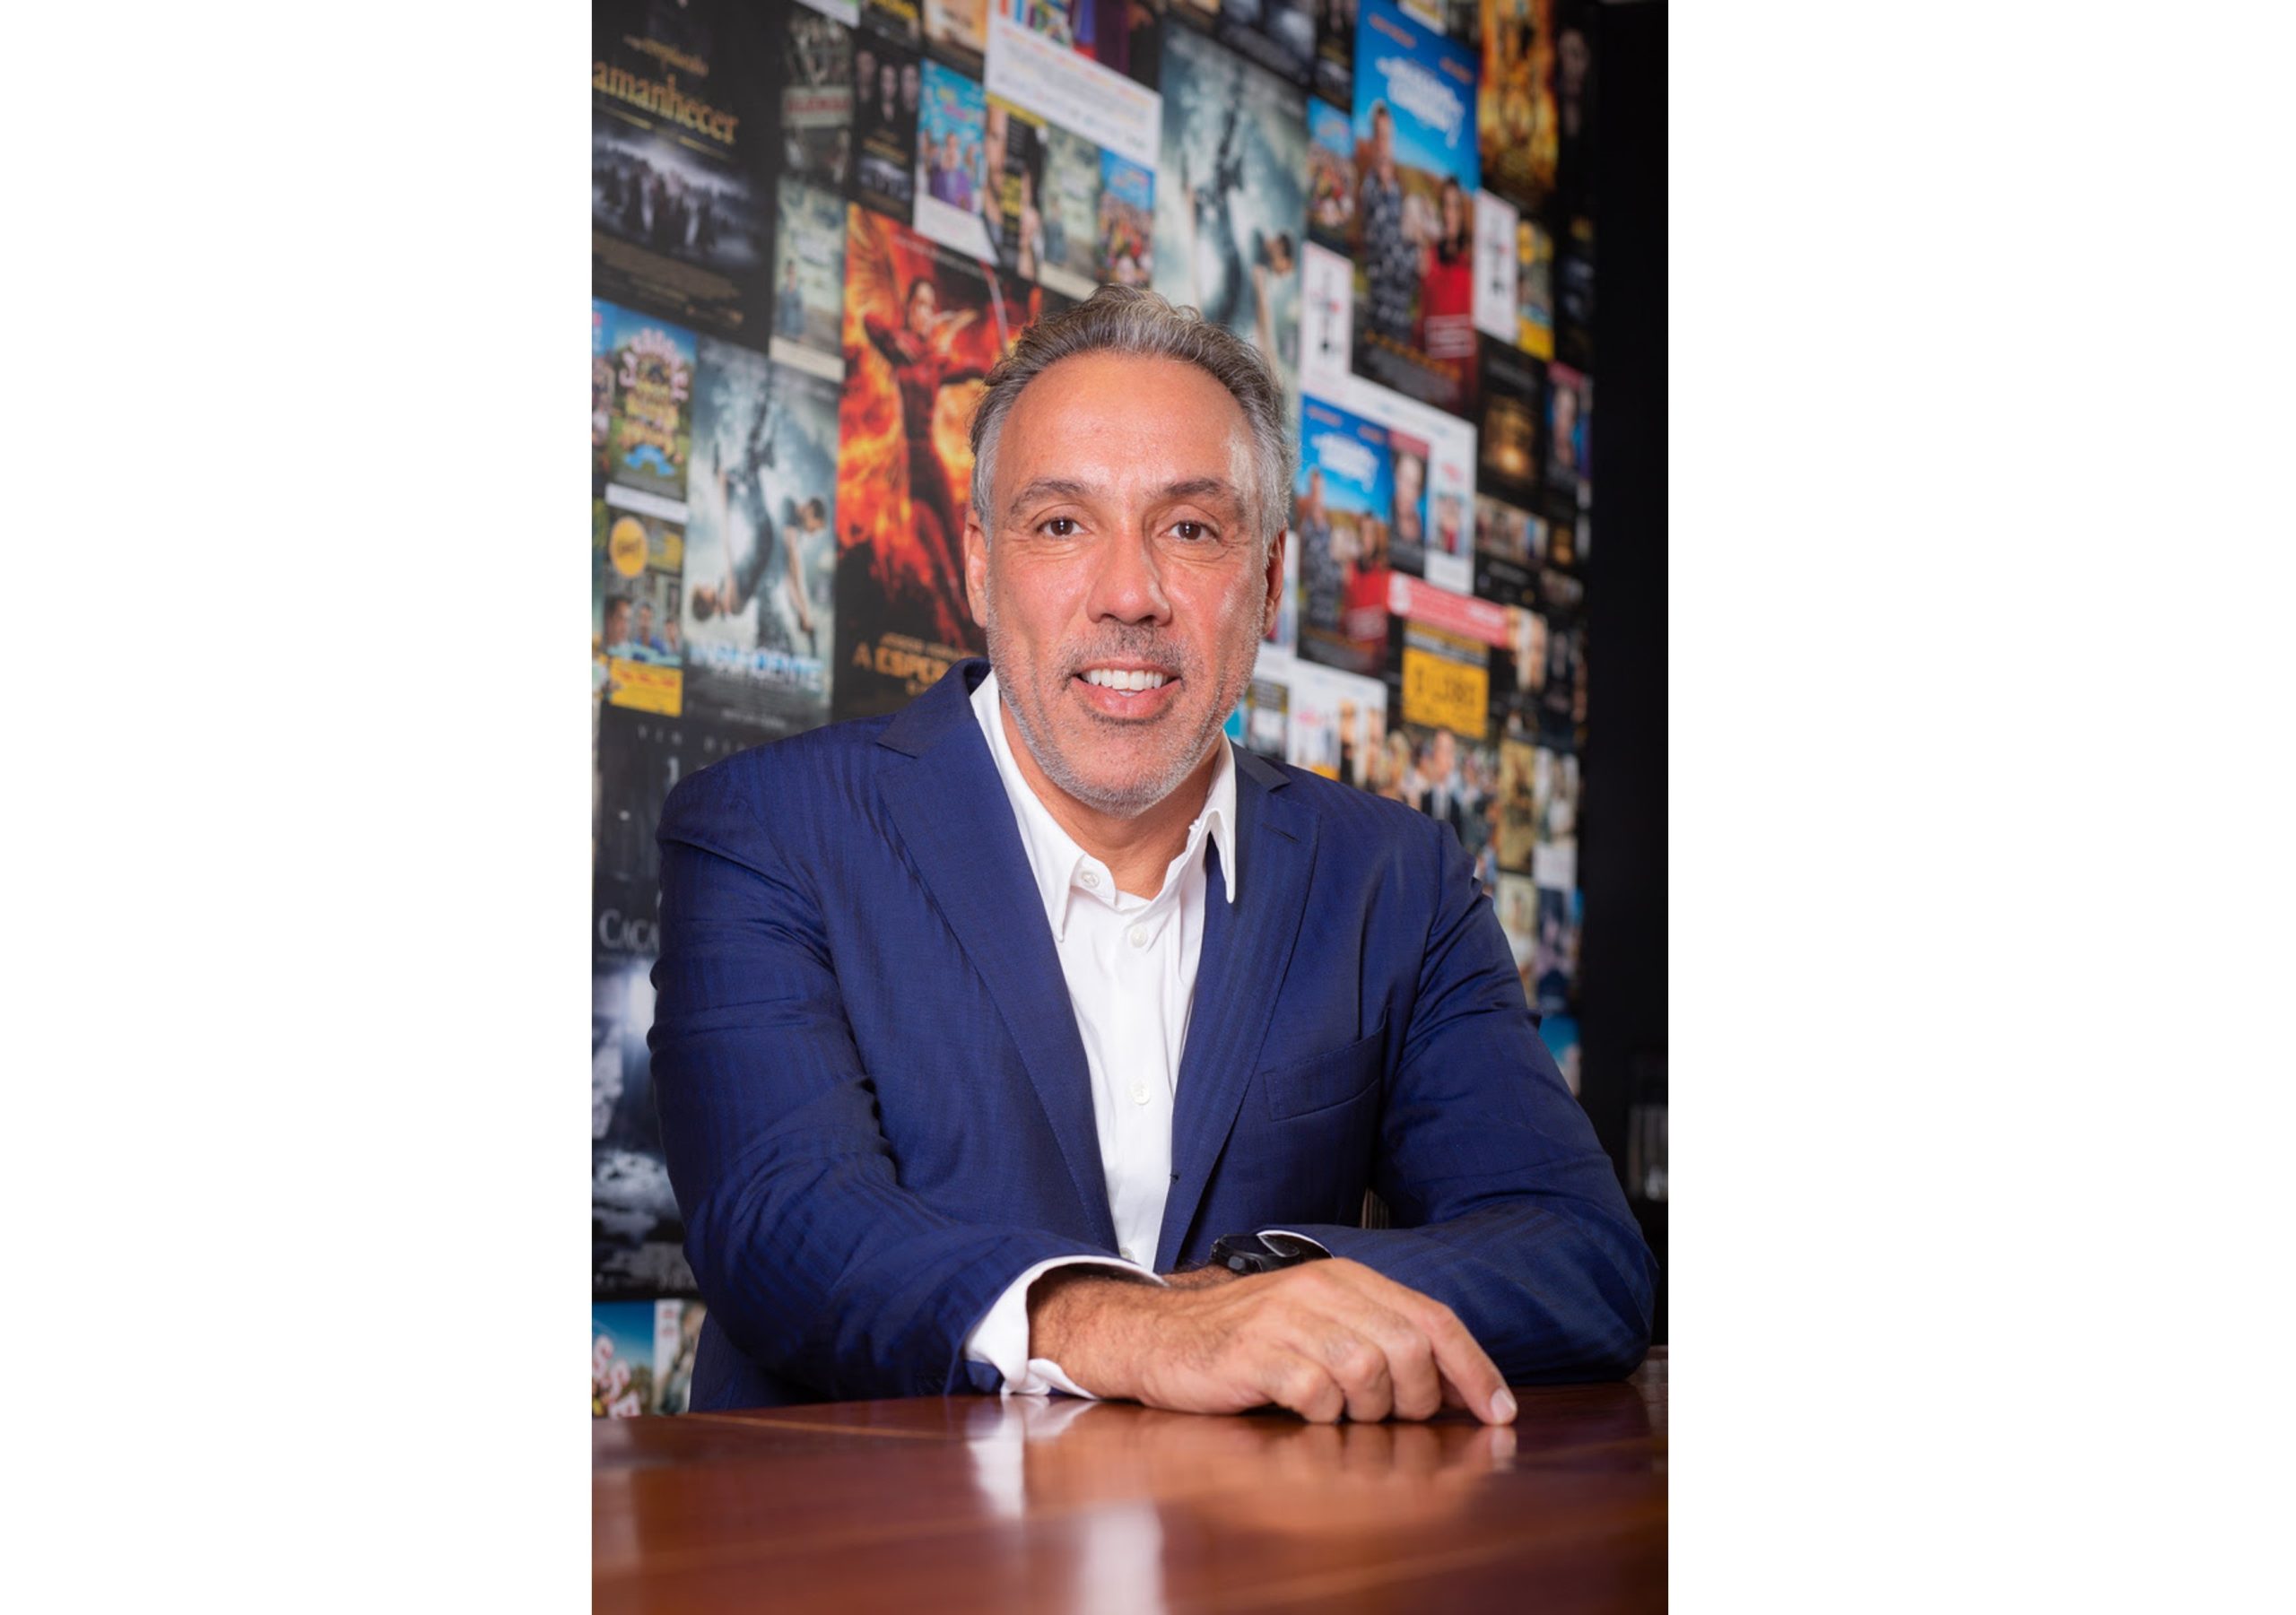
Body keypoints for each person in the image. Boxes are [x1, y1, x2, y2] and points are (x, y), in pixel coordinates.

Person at [651, 287, 1653, 1421]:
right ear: (978, 565)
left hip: (1245, 1528)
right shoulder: (769, 831)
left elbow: (1580, 1259)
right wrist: (1130, 1328)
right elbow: (783, 1224)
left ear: (1267, 582)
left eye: (1189, 529)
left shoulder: (1396, 879)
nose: (1129, 595)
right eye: (1060, 524)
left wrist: (1260, 1289)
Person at [862, 276, 987, 628]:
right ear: (909, 309)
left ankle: (969, 615)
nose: (925, 313)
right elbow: (869, 321)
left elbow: (973, 367)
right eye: (919, 304)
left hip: (927, 459)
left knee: (956, 535)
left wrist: (1003, 366)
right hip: (902, 463)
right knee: (901, 543)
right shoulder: (899, 347)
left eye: (930, 307)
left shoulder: (934, 361)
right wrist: (896, 338)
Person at [1357, 102, 1415, 346]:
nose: (1383, 144)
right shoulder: (1370, 188)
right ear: (1372, 140)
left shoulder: (1399, 189)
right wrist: (1413, 255)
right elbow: (1386, 253)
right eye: (1378, 136)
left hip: (1401, 314)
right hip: (1378, 312)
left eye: (1387, 136)